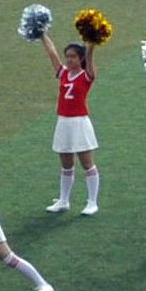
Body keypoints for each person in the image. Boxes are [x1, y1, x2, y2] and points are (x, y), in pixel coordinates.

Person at [39, 38, 102, 214]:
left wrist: (92, 41)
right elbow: (52, 54)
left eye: (73, 56)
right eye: (67, 56)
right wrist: (43, 35)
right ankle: (64, 200)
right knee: (66, 165)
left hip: (79, 123)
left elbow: (90, 56)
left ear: (81, 59)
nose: (69, 59)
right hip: (63, 122)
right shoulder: (63, 73)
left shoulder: (86, 76)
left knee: (87, 163)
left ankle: (92, 202)